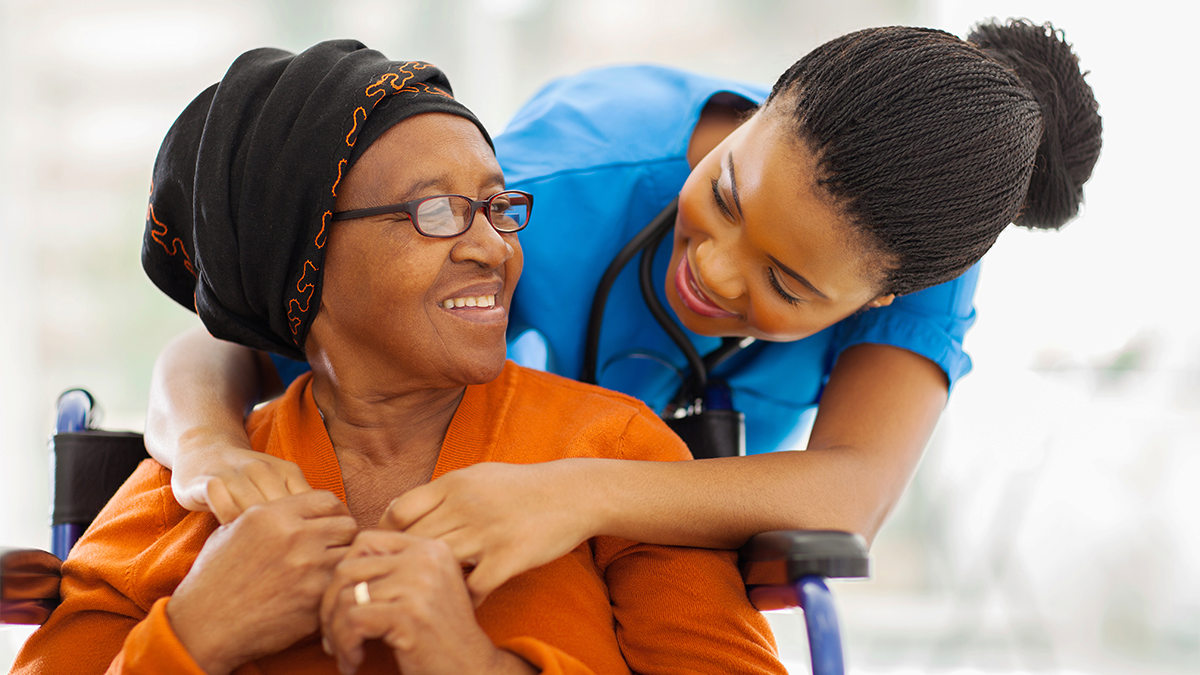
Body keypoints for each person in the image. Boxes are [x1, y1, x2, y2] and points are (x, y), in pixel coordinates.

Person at [144, 20, 1103, 604]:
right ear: (761, 111)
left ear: (883, 296)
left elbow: (851, 492)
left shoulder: (916, 254)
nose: (717, 275)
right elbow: (219, 342)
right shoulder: (557, 183)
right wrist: (207, 449)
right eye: (725, 194)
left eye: (789, 285)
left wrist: (576, 490)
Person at [9, 41, 786, 675]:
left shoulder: (615, 452)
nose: (494, 246)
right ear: (304, 258)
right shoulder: (190, 489)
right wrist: (196, 632)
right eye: (437, 211)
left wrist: (471, 662)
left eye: (497, 205)